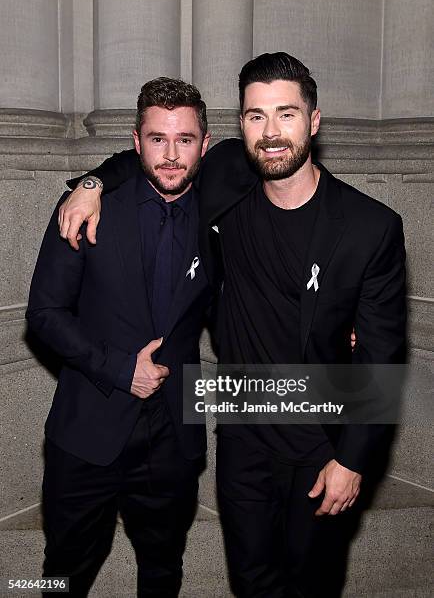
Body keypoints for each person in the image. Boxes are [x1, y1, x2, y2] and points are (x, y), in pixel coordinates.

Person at [56, 53, 406, 597]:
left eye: (286, 114)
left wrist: (352, 459)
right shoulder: (226, 178)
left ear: (314, 121)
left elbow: (382, 354)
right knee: (251, 583)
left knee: (310, 584)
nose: (271, 133)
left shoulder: (371, 226)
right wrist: (90, 181)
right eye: (256, 116)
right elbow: (158, 155)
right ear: (240, 124)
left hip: (322, 439)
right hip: (242, 432)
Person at [26, 78, 213, 597]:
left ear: (206, 141)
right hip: (89, 425)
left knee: (163, 565)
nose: (171, 155)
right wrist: (117, 367)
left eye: (185, 139)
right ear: (136, 141)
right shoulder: (86, 208)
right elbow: (44, 312)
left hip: (176, 429)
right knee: (63, 570)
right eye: (157, 139)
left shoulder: (219, 213)